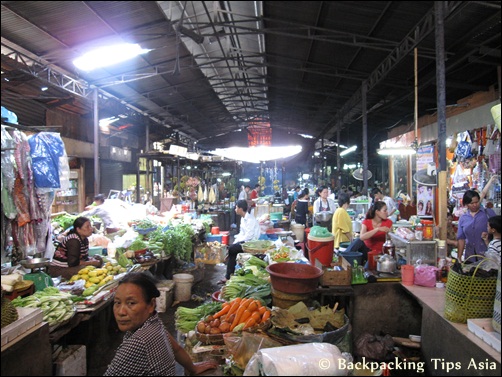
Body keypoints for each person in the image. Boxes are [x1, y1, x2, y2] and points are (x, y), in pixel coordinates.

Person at [105, 273, 218, 376]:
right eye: (117, 303)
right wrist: (192, 368)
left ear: (151, 305)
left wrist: (193, 368)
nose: (121, 312)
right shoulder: (153, 323)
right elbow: (176, 348)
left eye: (131, 303)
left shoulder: (138, 343)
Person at [219, 200, 260, 284]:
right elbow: (242, 233)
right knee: (232, 249)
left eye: (236, 207)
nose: (235, 209)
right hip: (245, 241)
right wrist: (235, 242)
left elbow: (249, 236)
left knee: (232, 249)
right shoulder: (243, 218)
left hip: (251, 243)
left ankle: (228, 275)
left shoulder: (250, 220)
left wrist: (236, 243)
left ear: (241, 209)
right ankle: (228, 276)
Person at [456, 190, 496, 262]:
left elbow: (498, 230)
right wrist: (459, 258)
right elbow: (461, 239)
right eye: (472, 203)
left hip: (487, 257)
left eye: (476, 202)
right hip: (470, 257)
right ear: (466, 204)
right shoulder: (463, 218)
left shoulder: (488, 213)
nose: (475, 205)